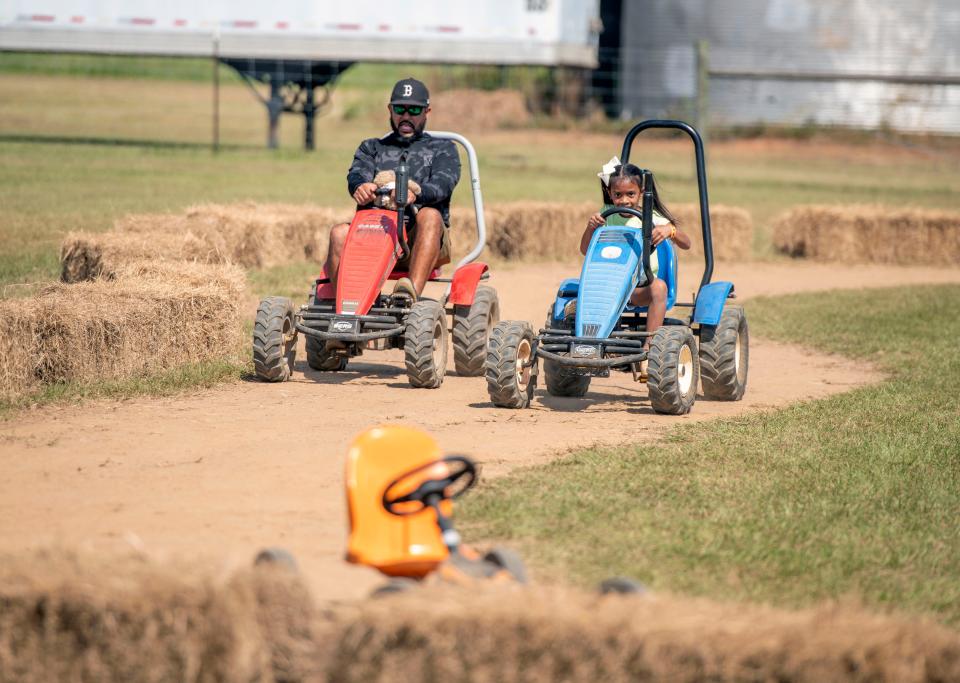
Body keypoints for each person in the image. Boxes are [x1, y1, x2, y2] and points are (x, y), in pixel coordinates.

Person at [323, 77, 461, 302]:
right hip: (375, 238)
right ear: (390, 109)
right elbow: (357, 174)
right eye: (400, 109)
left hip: (421, 239)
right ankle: (347, 311)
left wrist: (415, 194)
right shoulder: (372, 147)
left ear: (427, 111)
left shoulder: (443, 149)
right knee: (338, 232)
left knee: (431, 215)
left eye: (414, 109)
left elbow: (443, 184)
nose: (406, 116)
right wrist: (360, 187)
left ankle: (408, 298)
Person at [579, 160, 692, 360]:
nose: (624, 201)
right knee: (572, 288)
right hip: (608, 286)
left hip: (639, 288)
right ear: (610, 193)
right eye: (618, 195)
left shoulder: (653, 217)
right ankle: (584, 339)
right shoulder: (607, 216)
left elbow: (686, 243)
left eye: (630, 194)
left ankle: (651, 345)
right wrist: (591, 227)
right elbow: (585, 250)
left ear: (641, 192)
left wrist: (670, 230)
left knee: (659, 288)